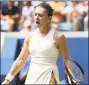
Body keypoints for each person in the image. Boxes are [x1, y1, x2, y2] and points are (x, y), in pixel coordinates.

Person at [2, 3, 69, 84]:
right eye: (35, 14)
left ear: (49, 18)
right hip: (31, 79)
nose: (36, 18)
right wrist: (7, 79)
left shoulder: (59, 37)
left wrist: (71, 78)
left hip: (50, 79)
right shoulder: (29, 36)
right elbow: (20, 60)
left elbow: (66, 61)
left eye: (40, 15)